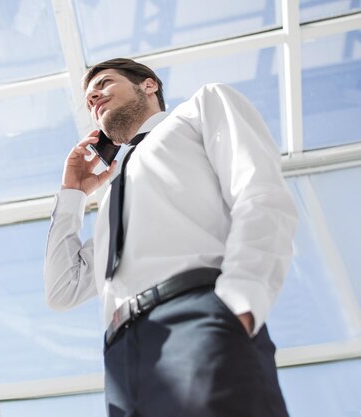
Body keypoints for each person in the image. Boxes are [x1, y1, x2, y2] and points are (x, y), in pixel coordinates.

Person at [44, 58, 298, 417]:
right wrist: (73, 193)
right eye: (88, 98)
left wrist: (238, 306)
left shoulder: (200, 109)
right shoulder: (114, 195)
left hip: (199, 317)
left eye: (103, 83)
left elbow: (260, 195)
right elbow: (62, 289)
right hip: (121, 356)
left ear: (148, 85)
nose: (94, 97)